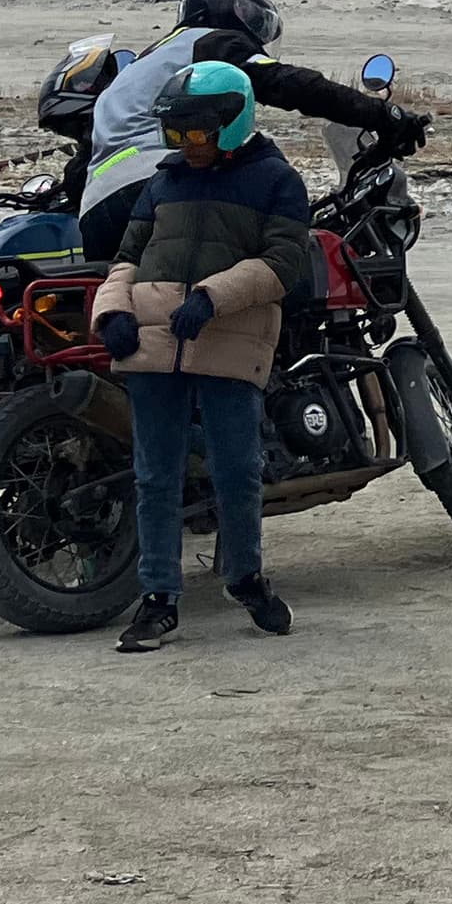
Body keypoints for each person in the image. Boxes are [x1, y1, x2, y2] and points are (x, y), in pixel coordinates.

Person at [95, 60, 316, 654]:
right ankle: (159, 599)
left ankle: (245, 579)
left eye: (197, 131)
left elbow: (284, 263)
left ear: (232, 121)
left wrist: (214, 297)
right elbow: (126, 258)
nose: (187, 144)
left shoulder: (275, 180)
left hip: (229, 345)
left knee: (238, 472)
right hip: (153, 348)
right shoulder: (163, 182)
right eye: (176, 132)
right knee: (154, 477)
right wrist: (111, 313)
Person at [78, 0, 413, 259]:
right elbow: (290, 85)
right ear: (230, 12)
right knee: (272, 178)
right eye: (255, 20)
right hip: (158, 185)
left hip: (97, 210)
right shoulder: (212, 41)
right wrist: (381, 114)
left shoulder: (146, 61)